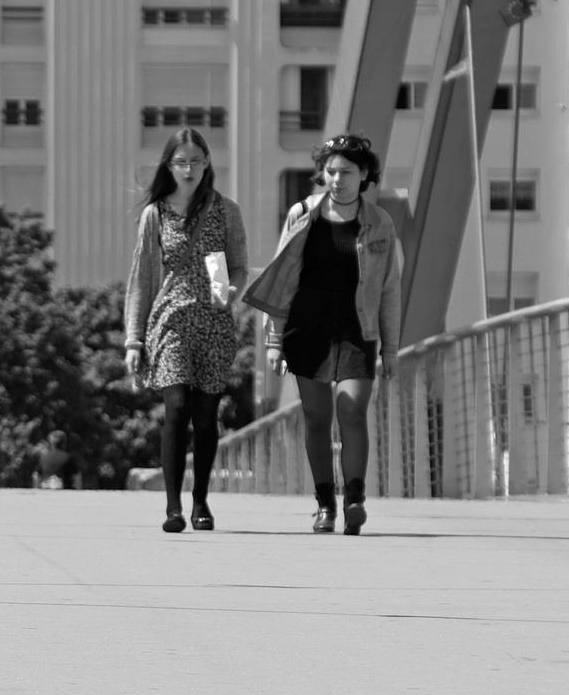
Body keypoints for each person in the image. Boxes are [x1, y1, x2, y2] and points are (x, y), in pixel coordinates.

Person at [242, 132, 403, 536]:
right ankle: (325, 504)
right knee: (316, 419)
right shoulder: (303, 213)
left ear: (364, 174)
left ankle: (355, 499)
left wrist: (392, 349)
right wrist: (275, 341)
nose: (336, 179)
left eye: (346, 172)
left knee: (351, 409)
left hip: (357, 329)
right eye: (330, 171)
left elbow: (388, 290)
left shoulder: (380, 223)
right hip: (307, 327)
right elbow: (281, 280)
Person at [124, 127, 249, 533]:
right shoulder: (155, 214)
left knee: (206, 415)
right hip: (171, 321)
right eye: (181, 161)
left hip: (213, 320)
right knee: (176, 408)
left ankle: (201, 502)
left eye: (196, 160)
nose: (189, 168)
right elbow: (142, 277)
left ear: (208, 162)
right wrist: (133, 338)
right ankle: (173, 506)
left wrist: (232, 289)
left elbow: (240, 264)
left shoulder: (226, 210)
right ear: (169, 165)